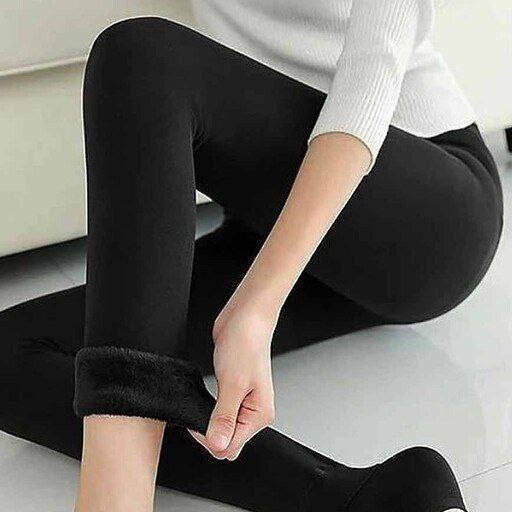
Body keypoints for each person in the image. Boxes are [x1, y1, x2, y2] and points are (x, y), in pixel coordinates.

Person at [0, 1, 503, 511]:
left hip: (421, 209)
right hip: (275, 222)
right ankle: (366, 498)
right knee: (12, 352)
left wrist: (258, 306)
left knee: (140, 56)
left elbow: (368, 86)